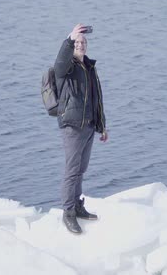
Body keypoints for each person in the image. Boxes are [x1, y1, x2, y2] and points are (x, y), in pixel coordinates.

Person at [54, 24, 108, 234]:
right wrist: (69, 39)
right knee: (71, 170)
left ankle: (77, 205)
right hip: (73, 126)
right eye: (77, 43)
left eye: (83, 43)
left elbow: (97, 98)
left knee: (81, 169)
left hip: (88, 126)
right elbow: (59, 64)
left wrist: (102, 126)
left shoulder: (90, 67)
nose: (81, 45)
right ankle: (67, 212)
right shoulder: (67, 67)